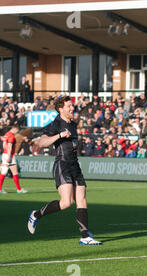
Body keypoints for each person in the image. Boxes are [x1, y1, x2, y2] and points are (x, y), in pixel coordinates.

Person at [27, 96, 101, 245]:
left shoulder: (72, 124)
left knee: (82, 199)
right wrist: (59, 135)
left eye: (72, 106)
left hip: (75, 165)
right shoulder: (56, 124)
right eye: (69, 106)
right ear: (61, 109)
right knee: (67, 202)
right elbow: (42, 142)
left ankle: (85, 236)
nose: (72, 108)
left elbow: (71, 143)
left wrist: (74, 145)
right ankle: (35, 214)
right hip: (62, 164)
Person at [0, 125, 27, 194]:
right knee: (14, 172)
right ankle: (19, 189)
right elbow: (9, 146)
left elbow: (3, 139)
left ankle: (0, 189)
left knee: (4, 172)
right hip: (9, 155)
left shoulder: (6, 134)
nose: (17, 132)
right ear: (15, 129)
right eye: (17, 131)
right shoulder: (11, 135)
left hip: (4, 154)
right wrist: (9, 156)